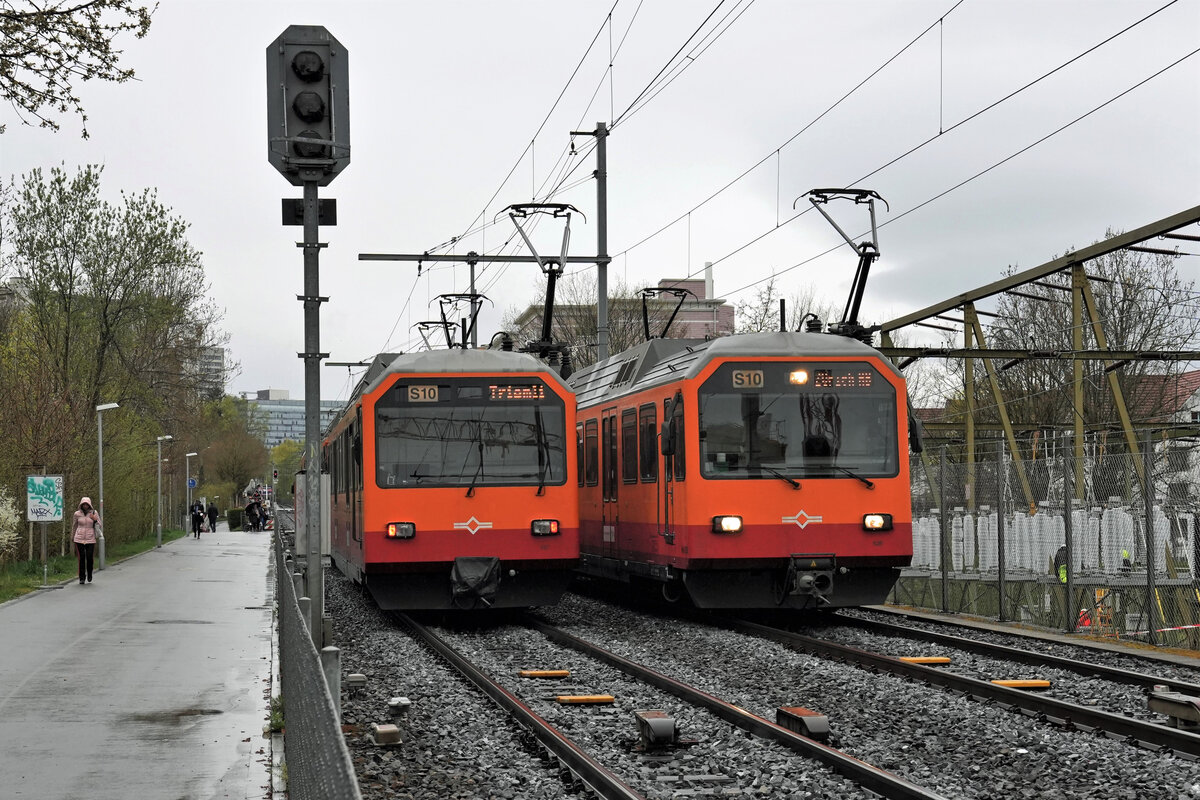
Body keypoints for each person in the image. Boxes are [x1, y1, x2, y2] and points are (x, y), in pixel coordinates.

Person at [72, 497, 101, 585]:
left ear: (89, 505)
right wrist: (73, 536)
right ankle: (81, 577)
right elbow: (74, 525)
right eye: (83, 504)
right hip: (79, 538)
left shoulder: (94, 513)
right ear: (81, 505)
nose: (85, 506)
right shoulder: (77, 514)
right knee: (81, 558)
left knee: (89, 557)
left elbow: (100, 524)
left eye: (87, 504)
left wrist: (95, 519)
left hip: (90, 538)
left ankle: (89, 574)